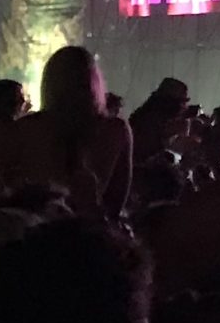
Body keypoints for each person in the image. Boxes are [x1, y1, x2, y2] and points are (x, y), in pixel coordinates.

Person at [11, 46, 134, 218]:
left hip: (37, 228)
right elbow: (116, 201)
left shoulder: (26, 128)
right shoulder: (116, 130)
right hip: (90, 229)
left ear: (49, 83)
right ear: (94, 82)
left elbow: (13, 189)